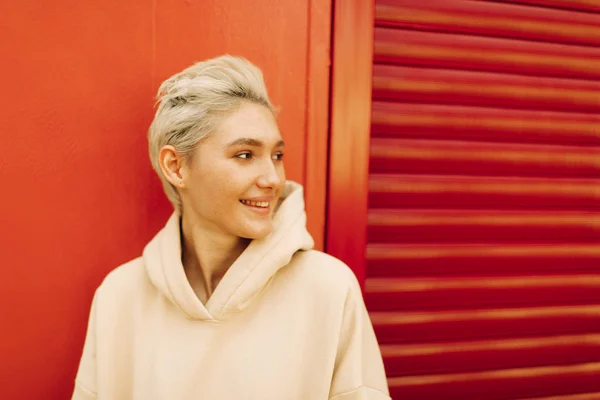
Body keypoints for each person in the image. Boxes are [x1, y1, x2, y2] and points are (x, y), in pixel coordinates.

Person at [72, 55, 390, 400]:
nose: (273, 178)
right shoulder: (120, 297)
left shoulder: (327, 289)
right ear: (176, 166)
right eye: (244, 155)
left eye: (277, 155)